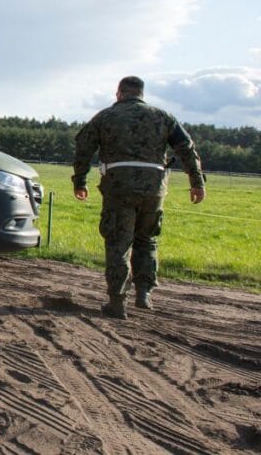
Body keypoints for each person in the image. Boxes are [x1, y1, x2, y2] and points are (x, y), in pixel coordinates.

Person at [72, 76, 206, 319]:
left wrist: (80, 181)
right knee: (147, 239)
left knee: (118, 243)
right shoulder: (163, 117)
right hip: (154, 189)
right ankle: (144, 293)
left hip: (118, 188)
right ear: (141, 94)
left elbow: (84, 148)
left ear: (119, 93)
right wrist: (196, 183)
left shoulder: (105, 117)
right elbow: (187, 149)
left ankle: (117, 301)